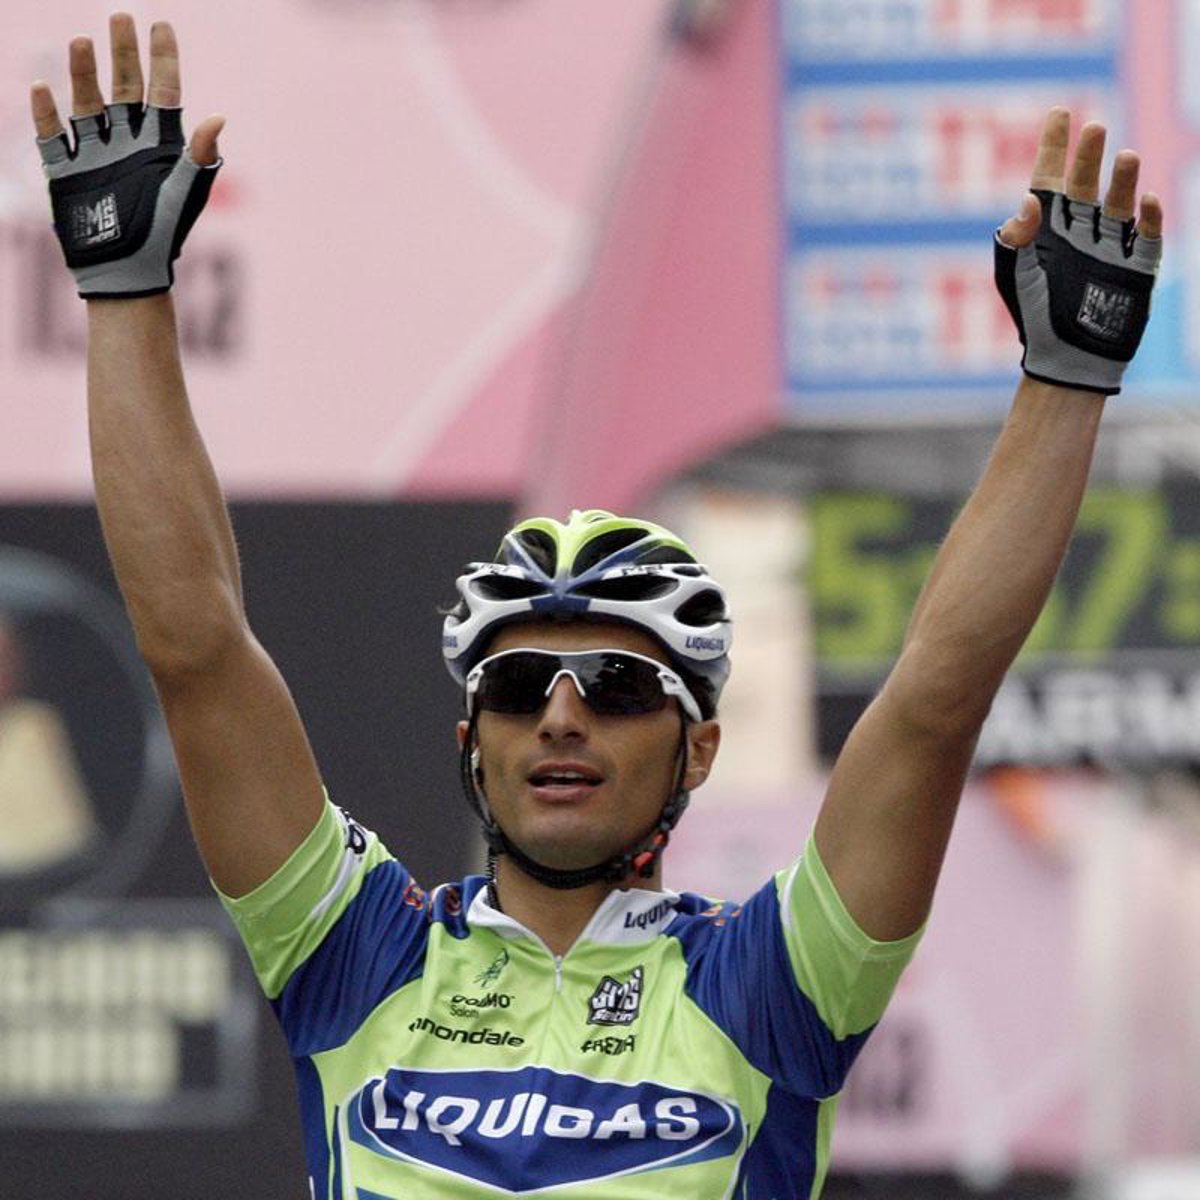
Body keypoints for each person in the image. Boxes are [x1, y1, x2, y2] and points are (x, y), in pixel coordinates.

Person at [29, 13, 1162, 1199]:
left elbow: (935, 701)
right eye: (521, 686)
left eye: (617, 687)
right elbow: (196, 647)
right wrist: (124, 284)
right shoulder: (358, 958)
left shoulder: (769, 988)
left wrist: (1065, 379)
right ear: (472, 738)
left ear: (699, 747)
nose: (561, 716)